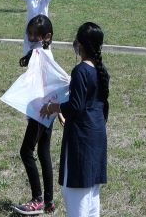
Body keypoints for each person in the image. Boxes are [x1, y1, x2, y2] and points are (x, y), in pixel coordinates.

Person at [40, 22, 109, 217]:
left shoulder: (81, 71)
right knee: (91, 194)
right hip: (97, 135)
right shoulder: (101, 70)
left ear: (80, 44)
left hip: (81, 139)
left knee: (76, 191)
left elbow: (76, 106)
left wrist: (53, 107)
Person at [13, 15, 56, 215]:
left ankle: (38, 199)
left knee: (26, 152)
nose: (31, 38)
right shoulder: (42, 53)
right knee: (43, 152)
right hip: (46, 110)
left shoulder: (41, 55)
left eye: (35, 35)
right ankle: (48, 201)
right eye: (29, 34)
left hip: (41, 111)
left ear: (47, 36)